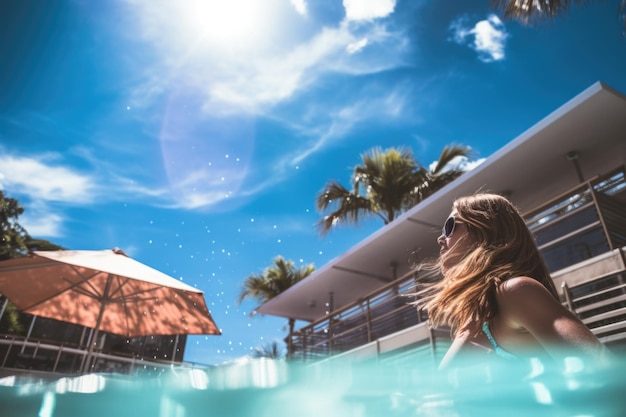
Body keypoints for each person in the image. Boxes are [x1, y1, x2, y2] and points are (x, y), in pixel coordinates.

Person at [419, 192, 606, 369]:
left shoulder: (514, 292)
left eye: (450, 226)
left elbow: (598, 363)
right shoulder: (478, 311)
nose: (440, 238)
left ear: (484, 230)